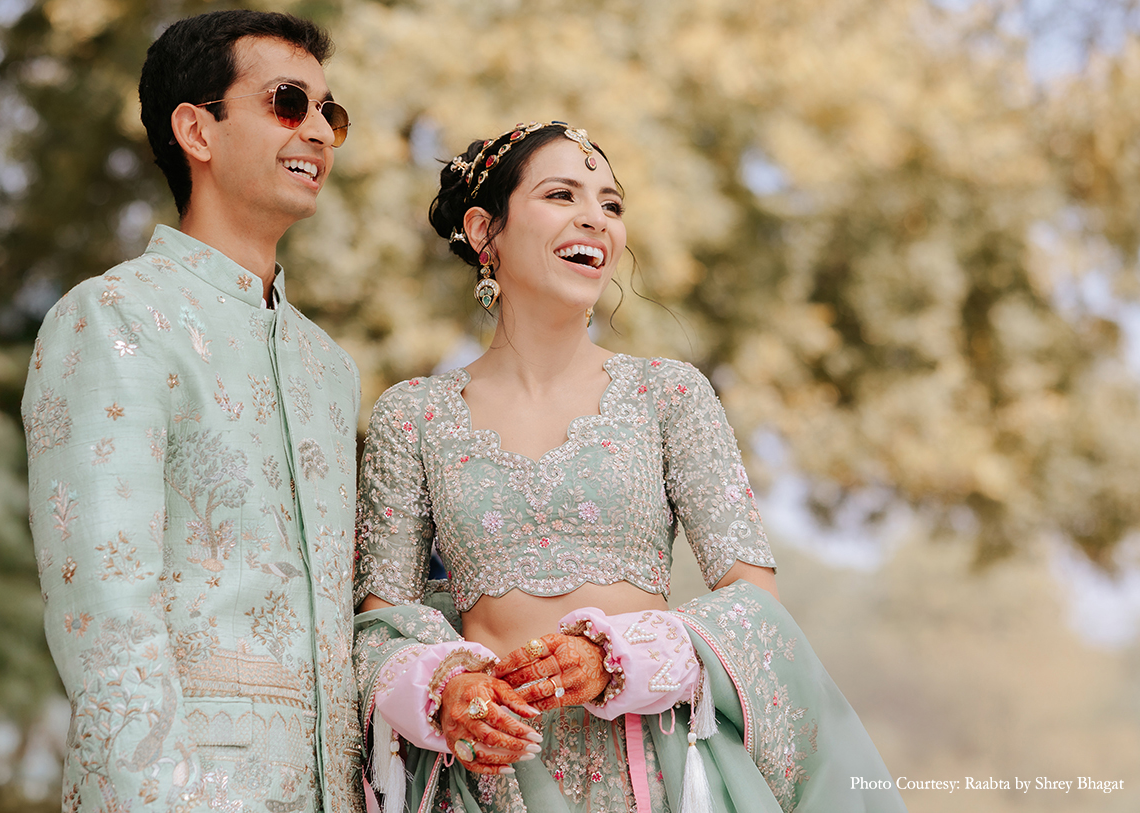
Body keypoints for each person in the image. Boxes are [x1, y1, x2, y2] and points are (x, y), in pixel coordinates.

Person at [351, 122, 908, 813]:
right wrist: (447, 690)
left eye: (611, 204)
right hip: (489, 783)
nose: (596, 218)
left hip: (655, 772)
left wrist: (612, 657)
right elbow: (381, 632)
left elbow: (753, 607)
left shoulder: (668, 395)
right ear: (484, 229)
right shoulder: (413, 414)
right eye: (562, 195)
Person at [21, 10, 363, 812]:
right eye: (288, 103)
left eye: (329, 112)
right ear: (196, 130)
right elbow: (108, 624)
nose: (317, 131)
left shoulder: (330, 368)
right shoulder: (116, 318)